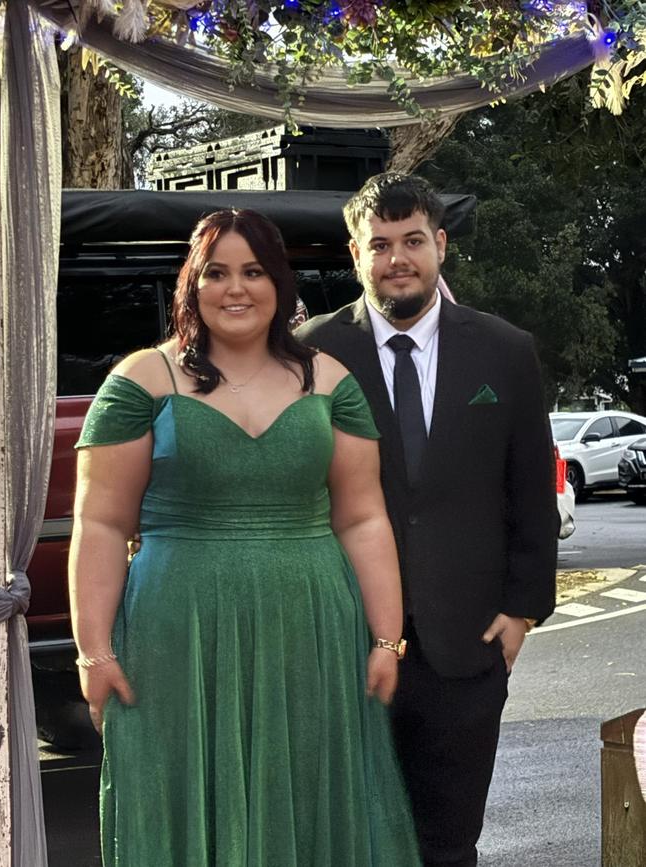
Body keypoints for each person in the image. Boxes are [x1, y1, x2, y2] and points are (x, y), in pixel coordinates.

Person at [68, 208, 422, 867]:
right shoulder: (142, 380)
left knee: (317, 796)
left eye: (254, 271)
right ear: (191, 286)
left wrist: (384, 638)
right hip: (177, 634)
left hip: (312, 630)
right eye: (217, 272)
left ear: (279, 284)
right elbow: (102, 523)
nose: (236, 289)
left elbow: (363, 517)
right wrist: (94, 651)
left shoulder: (330, 381)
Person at [296, 172, 557, 867]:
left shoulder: (505, 351)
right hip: (343, 646)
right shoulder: (310, 357)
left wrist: (522, 613)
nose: (397, 258)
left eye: (413, 240)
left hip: (468, 650)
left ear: (440, 245)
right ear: (356, 256)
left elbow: (532, 489)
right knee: (351, 842)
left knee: (448, 845)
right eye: (379, 244)